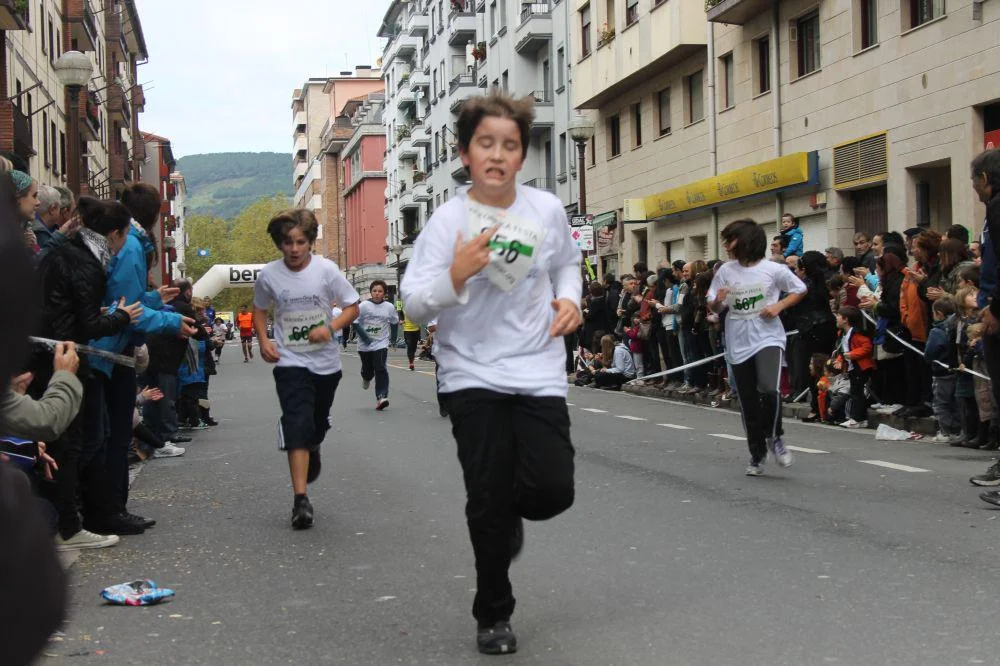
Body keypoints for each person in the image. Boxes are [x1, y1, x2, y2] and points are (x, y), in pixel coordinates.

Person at [401, 91, 581, 655]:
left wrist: (571, 300)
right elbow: (414, 306)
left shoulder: (545, 209)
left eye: (510, 145)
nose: (498, 155)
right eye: (486, 144)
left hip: (537, 368)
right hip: (470, 372)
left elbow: (568, 263)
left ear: (522, 155)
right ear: (465, 153)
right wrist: (455, 274)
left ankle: (513, 513)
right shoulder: (447, 222)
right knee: (486, 500)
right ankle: (494, 614)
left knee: (552, 490)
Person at [32, 196, 143, 549]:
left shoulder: (67, 251)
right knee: (73, 443)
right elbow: (88, 325)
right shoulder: (87, 263)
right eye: (126, 236)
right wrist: (122, 316)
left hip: (46, 353)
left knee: (71, 441)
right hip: (62, 358)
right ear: (114, 234)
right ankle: (68, 525)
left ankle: (66, 520)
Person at [253, 208, 360, 529]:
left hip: (325, 364)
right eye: (288, 242)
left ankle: (314, 443)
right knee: (296, 422)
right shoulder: (269, 275)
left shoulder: (326, 270)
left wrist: (330, 328)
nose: (294, 249)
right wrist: (264, 341)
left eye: (301, 242)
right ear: (279, 244)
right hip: (290, 361)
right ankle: (300, 500)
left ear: (311, 241)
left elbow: (352, 307)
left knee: (316, 424)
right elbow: (260, 310)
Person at [708, 219, 807, 476]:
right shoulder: (725, 271)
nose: (726, 246)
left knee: (769, 388)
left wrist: (779, 306)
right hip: (738, 340)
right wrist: (718, 302)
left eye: (730, 241)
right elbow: (714, 304)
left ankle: (775, 437)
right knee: (748, 400)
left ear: (746, 241)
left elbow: (799, 289)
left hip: (768, 337)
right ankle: (757, 453)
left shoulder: (772, 269)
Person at [354, 280, 399, 410]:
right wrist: (365, 337)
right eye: (374, 291)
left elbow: (394, 323)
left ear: (384, 293)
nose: (377, 293)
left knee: (380, 367)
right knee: (368, 370)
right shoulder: (364, 306)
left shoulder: (389, 307)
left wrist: (393, 340)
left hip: (381, 343)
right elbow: (355, 322)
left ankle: (382, 396)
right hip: (365, 344)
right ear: (371, 292)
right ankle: (366, 377)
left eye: (380, 291)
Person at [833, 306, 874, 428]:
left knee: (857, 393)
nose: (836, 318)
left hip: (860, 366)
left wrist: (852, 354)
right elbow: (842, 350)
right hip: (852, 366)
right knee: (856, 392)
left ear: (845, 319)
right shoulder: (842, 333)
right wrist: (840, 359)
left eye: (838, 316)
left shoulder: (857, 333)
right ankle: (861, 419)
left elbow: (867, 347)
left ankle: (856, 418)